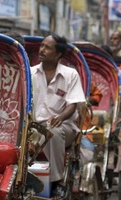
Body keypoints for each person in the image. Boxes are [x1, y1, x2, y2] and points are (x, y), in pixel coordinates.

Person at [30, 33, 86, 198]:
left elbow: (73, 104)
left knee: (51, 131)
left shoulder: (70, 75)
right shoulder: (31, 73)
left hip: (63, 127)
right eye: (41, 46)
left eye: (47, 47)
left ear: (58, 54)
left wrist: (60, 117)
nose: (41, 50)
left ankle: (56, 182)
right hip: (33, 127)